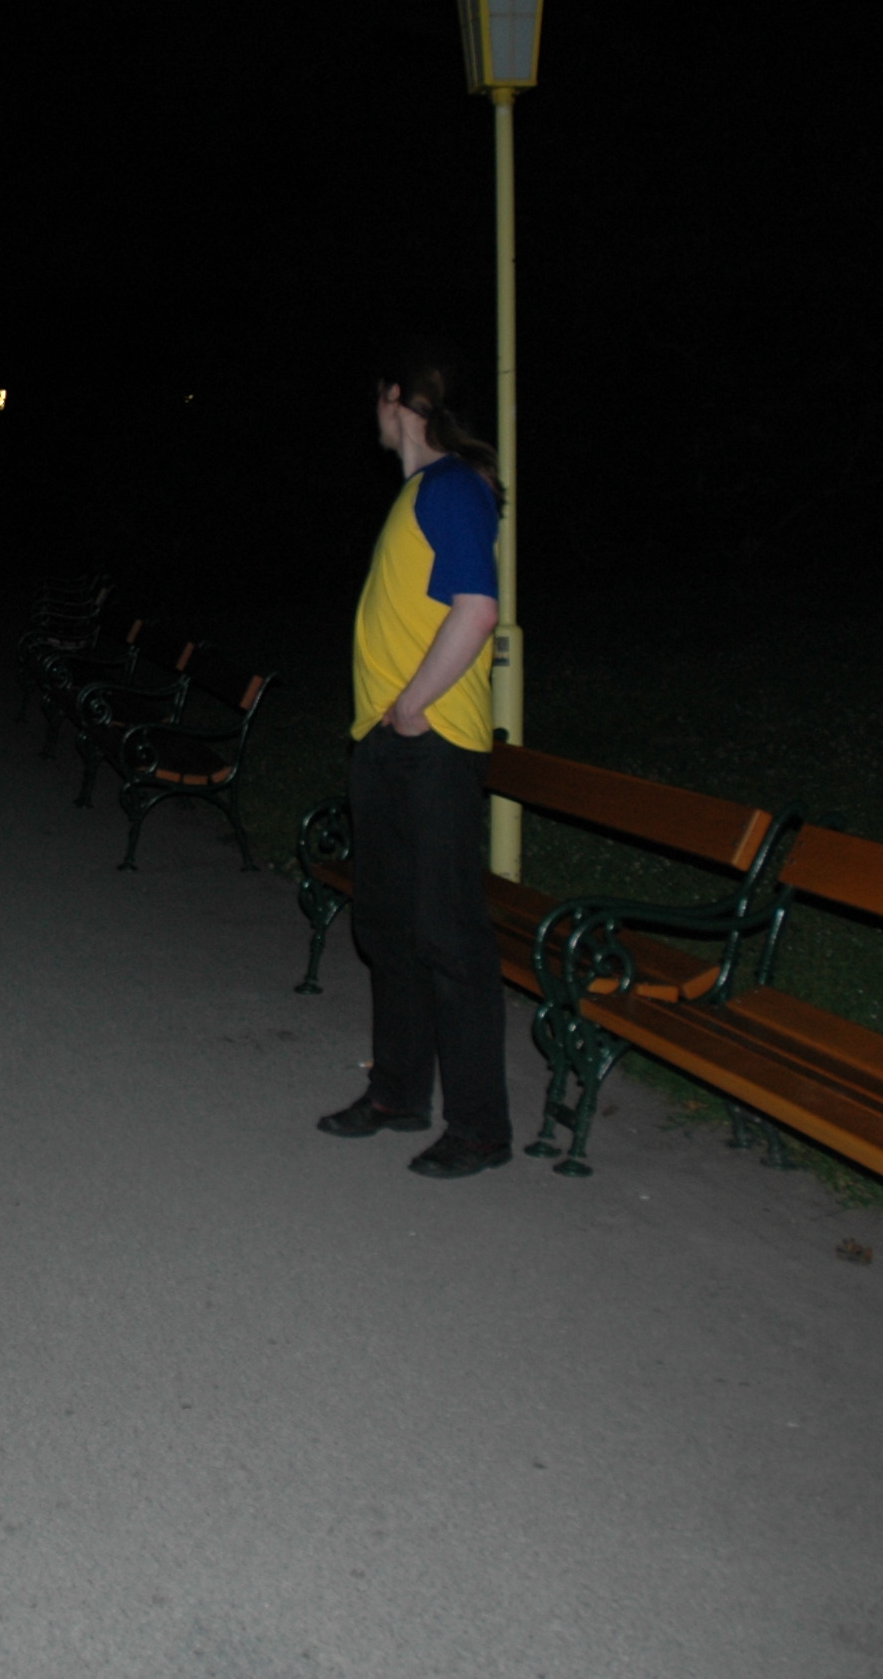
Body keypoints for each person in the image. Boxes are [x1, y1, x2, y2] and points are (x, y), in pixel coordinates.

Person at [316, 355, 508, 1178]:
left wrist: (411, 707)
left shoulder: (453, 485)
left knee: (446, 936)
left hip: (429, 746)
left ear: (396, 398)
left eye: (379, 398)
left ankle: (480, 1127)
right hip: (389, 745)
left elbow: (478, 609)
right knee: (388, 930)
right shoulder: (417, 493)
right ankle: (397, 1092)